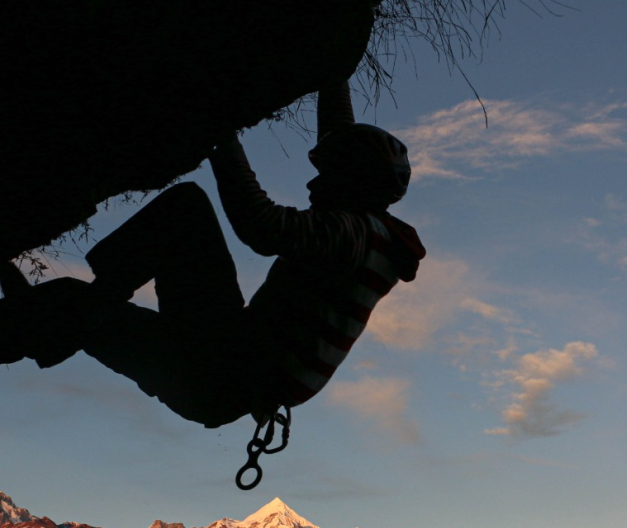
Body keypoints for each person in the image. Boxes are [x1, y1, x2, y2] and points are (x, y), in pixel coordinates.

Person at [0, 82, 425, 431]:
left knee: (184, 210)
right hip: (224, 372)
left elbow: (260, 224)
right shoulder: (372, 234)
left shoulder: (350, 233)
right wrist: (334, 77)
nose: (314, 183)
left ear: (353, 182)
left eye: (327, 174)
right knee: (71, 303)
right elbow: (340, 139)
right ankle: (59, 321)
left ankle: (72, 316)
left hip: (218, 366)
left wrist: (222, 136)